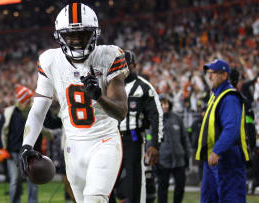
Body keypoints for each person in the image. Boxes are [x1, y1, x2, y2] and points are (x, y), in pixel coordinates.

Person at [19, 3, 129, 203]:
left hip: (104, 141)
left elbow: (121, 111)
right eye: (70, 35)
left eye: (83, 34)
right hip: (73, 146)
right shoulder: (49, 60)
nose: (76, 40)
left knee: (94, 199)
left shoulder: (110, 55)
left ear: (95, 33)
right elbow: (38, 110)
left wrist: (98, 96)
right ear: (59, 36)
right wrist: (26, 145)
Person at [111, 50, 163, 203]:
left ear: (135, 65)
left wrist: (155, 144)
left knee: (134, 181)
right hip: (110, 138)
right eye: (120, 66)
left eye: (126, 66)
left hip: (132, 138)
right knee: (105, 179)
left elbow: (156, 116)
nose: (124, 70)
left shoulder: (144, 88)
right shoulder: (109, 84)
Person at [195, 59, 250, 203]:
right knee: (209, 198)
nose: (209, 76)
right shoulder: (215, 96)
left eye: (214, 73)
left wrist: (217, 150)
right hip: (213, 159)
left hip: (226, 157)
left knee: (230, 198)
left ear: (225, 75)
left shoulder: (229, 97)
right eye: (209, 73)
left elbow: (232, 128)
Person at [0, 85, 39, 203]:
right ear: (24, 99)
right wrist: (1, 148)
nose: (31, 101)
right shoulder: (9, 112)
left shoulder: (34, 112)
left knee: (33, 180)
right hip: (13, 151)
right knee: (15, 180)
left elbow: (39, 130)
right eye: (29, 98)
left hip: (31, 152)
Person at [156, 95, 191, 203]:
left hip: (179, 160)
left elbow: (185, 138)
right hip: (162, 161)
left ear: (169, 104)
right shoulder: (155, 119)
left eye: (166, 103)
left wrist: (187, 155)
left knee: (180, 187)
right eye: (161, 104)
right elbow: (150, 139)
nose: (164, 106)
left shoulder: (177, 118)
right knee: (162, 189)